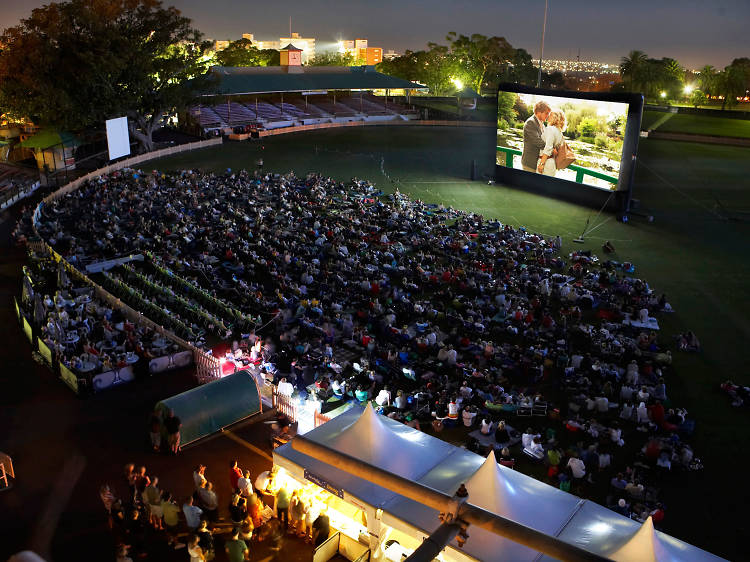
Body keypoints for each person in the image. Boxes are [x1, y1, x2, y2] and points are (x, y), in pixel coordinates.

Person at [521, 100, 551, 173]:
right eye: (546, 113)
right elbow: (538, 142)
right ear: (538, 112)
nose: (548, 116)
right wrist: (551, 149)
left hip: (537, 163)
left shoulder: (542, 124)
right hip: (530, 164)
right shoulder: (530, 123)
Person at [537, 110, 566, 176]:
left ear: (555, 117)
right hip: (552, 163)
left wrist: (541, 164)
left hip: (545, 163)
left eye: (550, 115)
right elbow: (556, 149)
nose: (548, 117)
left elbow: (548, 148)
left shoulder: (550, 129)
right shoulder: (559, 132)